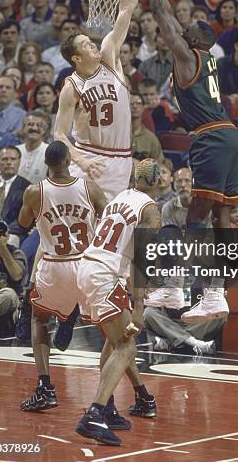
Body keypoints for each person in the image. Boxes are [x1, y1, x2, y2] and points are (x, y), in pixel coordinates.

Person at [145, 0, 238, 322]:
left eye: (186, 33)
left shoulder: (190, 57)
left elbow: (160, 13)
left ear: (196, 39)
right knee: (219, 219)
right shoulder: (210, 62)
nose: (179, 34)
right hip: (231, 138)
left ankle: (176, 288)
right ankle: (214, 294)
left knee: (196, 219)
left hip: (213, 138)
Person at [75, 159, 161, 445]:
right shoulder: (151, 210)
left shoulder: (120, 198)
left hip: (88, 265)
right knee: (127, 345)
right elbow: (141, 259)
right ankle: (94, 414)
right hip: (105, 273)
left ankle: (109, 408)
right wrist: (138, 307)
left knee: (113, 342)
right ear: (159, 181)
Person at [17, 141, 107, 411]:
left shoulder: (35, 191)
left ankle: (45, 387)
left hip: (55, 264)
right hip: (84, 264)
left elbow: (22, 223)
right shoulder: (88, 187)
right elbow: (106, 218)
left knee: (39, 320)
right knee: (110, 330)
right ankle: (114, 398)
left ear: (46, 163)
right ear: (70, 161)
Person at [54, 0, 145, 201]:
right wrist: (80, 161)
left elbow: (126, 10)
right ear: (76, 59)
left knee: (107, 229)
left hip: (120, 159)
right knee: (78, 226)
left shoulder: (109, 56)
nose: (92, 44)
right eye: (85, 45)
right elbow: (59, 132)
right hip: (88, 158)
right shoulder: (71, 87)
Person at [17, 112, 50, 184]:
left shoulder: (49, 152)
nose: (34, 128)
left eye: (39, 125)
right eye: (30, 124)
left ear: (44, 130)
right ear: (23, 128)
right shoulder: (16, 151)